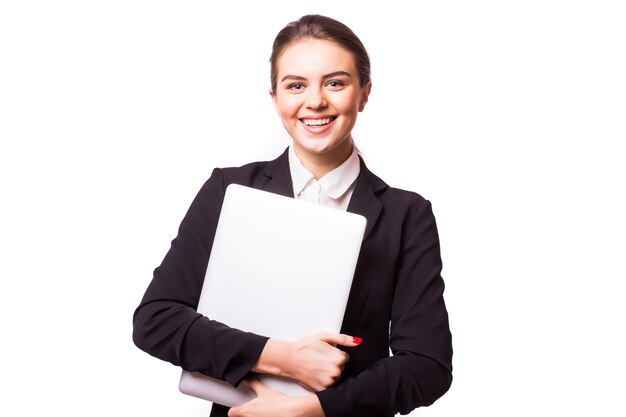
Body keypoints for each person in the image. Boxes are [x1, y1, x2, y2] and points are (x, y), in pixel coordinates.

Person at [133, 14, 453, 417]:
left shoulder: (407, 215)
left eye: (335, 83)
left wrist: (315, 408)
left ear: (364, 94)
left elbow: (428, 366)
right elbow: (156, 320)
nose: (315, 101)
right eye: (296, 85)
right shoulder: (229, 190)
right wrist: (280, 357)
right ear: (275, 98)